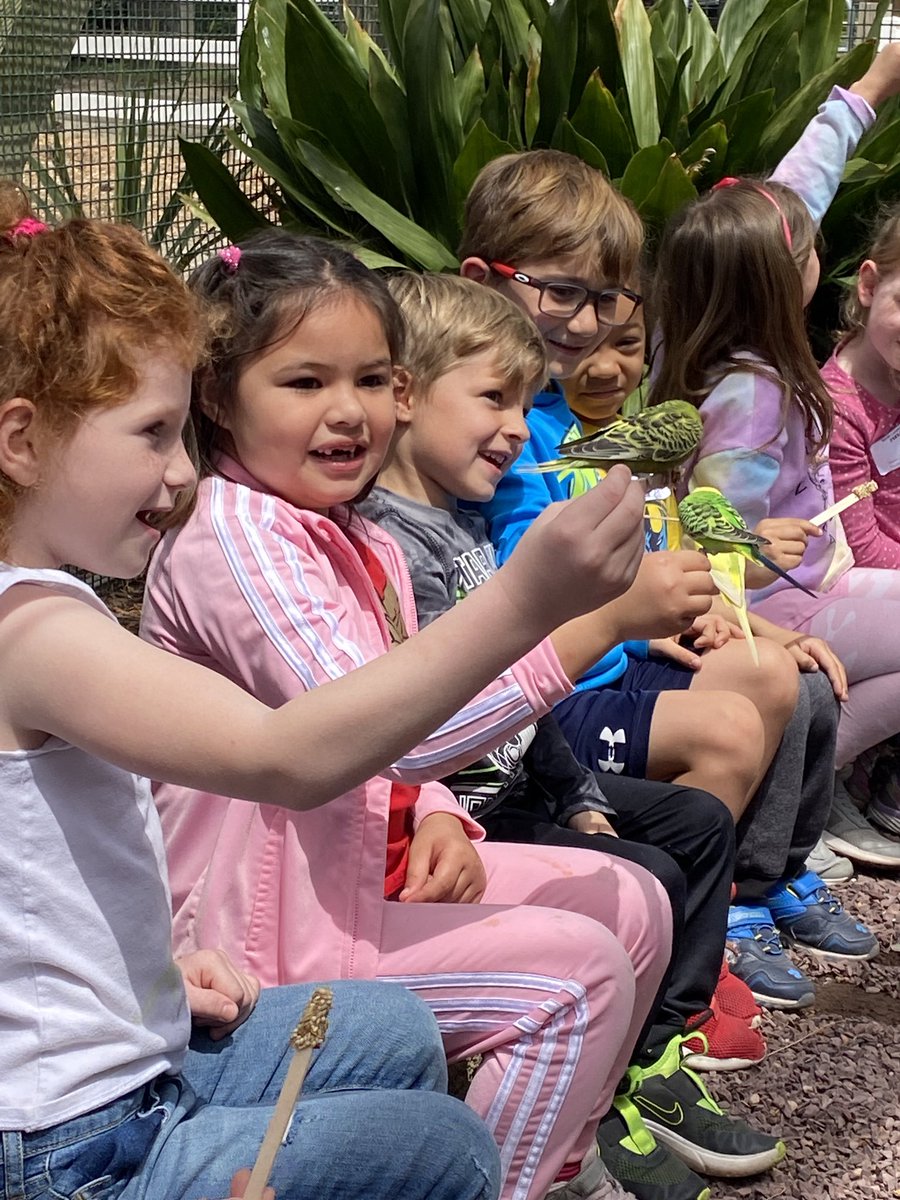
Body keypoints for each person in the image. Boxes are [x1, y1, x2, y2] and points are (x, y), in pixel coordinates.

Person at [0, 189, 560, 1200]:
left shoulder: (48, 615)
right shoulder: (35, 633)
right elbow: (290, 755)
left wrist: (155, 976)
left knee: (396, 1032)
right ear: (22, 441)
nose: (182, 472)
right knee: (446, 1146)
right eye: (153, 433)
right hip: (76, 1140)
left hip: (133, 1050)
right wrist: (534, 605)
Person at [141, 230, 680, 1200]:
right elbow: (379, 731)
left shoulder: (359, 538)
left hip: (350, 883)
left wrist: (438, 811)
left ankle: (555, 1160)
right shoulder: (234, 538)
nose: (348, 410)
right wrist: (571, 619)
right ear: (216, 395)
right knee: (576, 979)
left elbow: (396, 727)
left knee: (633, 902)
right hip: (261, 942)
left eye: (370, 379)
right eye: (304, 382)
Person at [361, 272, 788, 1200]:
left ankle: (649, 1056)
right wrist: (608, 619)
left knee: (694, 827)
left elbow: (530, 704)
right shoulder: (387, 548)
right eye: (495, 399)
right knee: (651, 871)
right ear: (406, 395)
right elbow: (423, 722)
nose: (520, 428)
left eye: (525, 404)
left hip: (523, 783)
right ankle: (593, 1102)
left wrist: (582, 797)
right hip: (468, 814)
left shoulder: (464, 527)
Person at [648, 62, 900, 1002]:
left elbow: (796, 188)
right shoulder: (752, 396)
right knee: (801, 698)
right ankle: (755, 885)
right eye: (808, 250)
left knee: (837, 693)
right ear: (779, 280)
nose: (817, 250)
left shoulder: (704, 320)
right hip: (764, 604)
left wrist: (870, 88)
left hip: (801, 589)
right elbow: (709, 532)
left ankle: (796, 833)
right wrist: (758, 557)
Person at [822, 206, 900, 843]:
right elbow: (861, 545)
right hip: (835, 584)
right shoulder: (841, 405)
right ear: (869, 285)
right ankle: (817, 773)